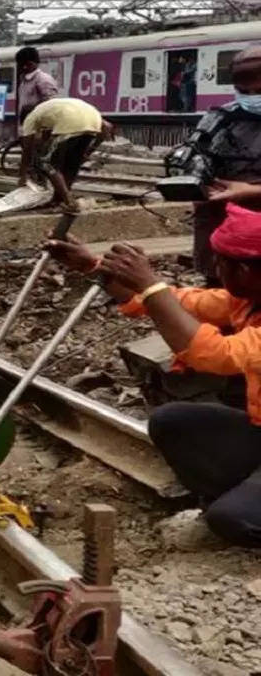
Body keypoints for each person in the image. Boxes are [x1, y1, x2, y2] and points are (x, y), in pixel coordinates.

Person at [44, 204, 261, 547]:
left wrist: (151, 283)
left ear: (246, 270)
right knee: (171, 421)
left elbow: (214, 355)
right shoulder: (248, 299)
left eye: (221, 263)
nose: (215, 269)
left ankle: (241, 509)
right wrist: (93, 266)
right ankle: (241, 498)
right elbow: (172, 302)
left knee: (232, 519)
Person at [178, 47, 261, 283]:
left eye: (260, 89)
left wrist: (252, 192)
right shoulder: (220, 119)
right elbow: (198, 157)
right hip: (222, 244)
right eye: (244, 91)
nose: (253, 97)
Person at [16, 98, 114, 211]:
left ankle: (69, 202)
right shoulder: (50, 110)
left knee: (48, 164)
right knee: (71, 165)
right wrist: (89, 151)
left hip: (71, 122)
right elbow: (107, 127)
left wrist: (22, 175)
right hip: (93, 120)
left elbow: (27, 149)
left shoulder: (31, 117)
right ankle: (58, 200)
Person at [15, 47, 60, 125]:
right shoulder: (24, 80)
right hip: (29, 123)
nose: (24, 67)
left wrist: (32, 109)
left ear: (34, 63)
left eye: (28, 64)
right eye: (21, 64)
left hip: (40, 124)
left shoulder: (43, 79)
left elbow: (52, 104)